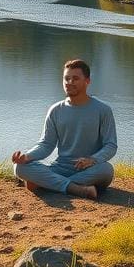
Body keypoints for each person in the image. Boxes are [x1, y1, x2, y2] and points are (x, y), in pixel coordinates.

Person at [11, 58, 117, 199]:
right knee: (20, 168)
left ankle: (47, 184)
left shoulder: (103, 110)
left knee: (106, 170)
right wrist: (26, 157)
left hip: (89, 169)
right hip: (60, 168)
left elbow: (111, 145)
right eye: (66, 78)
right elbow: (46, 145)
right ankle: (78, 189)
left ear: (87, 81)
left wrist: (92, 160)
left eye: (75, 78)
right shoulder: (55, 110)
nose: (70, 82)